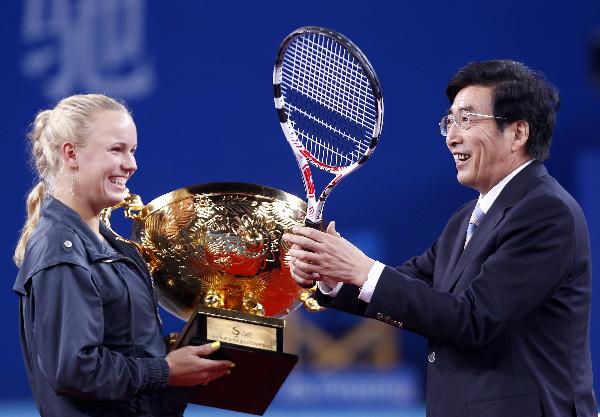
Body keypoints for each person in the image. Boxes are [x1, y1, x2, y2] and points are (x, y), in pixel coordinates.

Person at [284, 60, 597, 417]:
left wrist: (362, 268)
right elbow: (412, 285)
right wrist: (335, 277)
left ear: (518, 133)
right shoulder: (467, 218)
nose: (451, 136)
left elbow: (473, 321)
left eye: (467, 119)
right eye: (449, 121)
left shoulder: (546, 212)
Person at [13, 94, 234, 417]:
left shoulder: (110, 245)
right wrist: (165, 370)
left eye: (132, 151)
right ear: (71, 154)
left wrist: (186, 355)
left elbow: (126, 353)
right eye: (116, 150)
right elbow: (75, 369)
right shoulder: (61, 248)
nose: (131, 164)